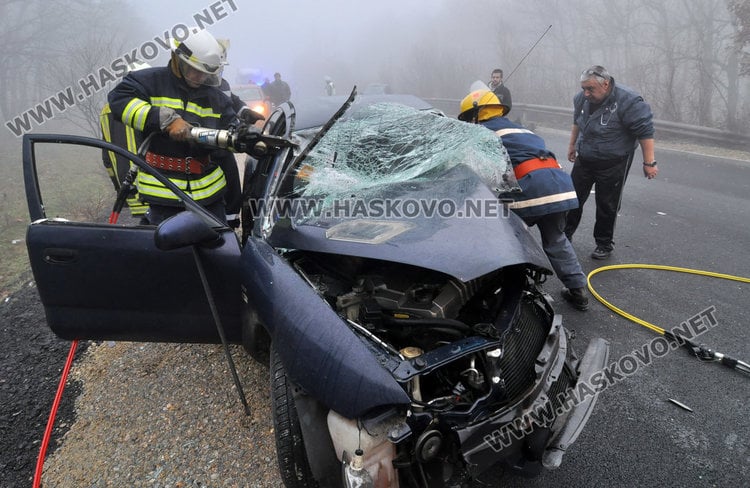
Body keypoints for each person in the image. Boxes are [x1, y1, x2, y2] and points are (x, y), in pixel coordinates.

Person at [458, 89, 590, 310]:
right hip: (560, 185)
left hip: (531, 187)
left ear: (476, 114)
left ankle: (510, 290)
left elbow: (476, 170)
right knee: (556, 239)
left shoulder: (481, 132)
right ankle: (578, 290)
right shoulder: (521, 128)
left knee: (504, 233)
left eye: (468, 118)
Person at [107, 28, 242, 226]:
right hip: (163, 194)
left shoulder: (217, 99)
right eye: (194, 69)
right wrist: (166, 120)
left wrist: (243, 136)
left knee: (219, 253)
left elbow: (230, 130)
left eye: (204, 73)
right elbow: (119, 101)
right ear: (177, 60)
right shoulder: (149, 82)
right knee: (164, 254)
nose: (199, 77)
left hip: (210, 196)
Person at [565, 65, 658, 260]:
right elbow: (577, 122)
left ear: (605, 84)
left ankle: (604, 243)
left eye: (590, 89)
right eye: (584, 88)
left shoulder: (628, 100)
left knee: (607, 204)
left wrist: (649, 162)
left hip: (614, 161)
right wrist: (572, 145)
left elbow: (645, 132)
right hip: (586, 158)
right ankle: (564, 235)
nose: (586, 93)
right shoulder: (581, 99)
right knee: (572, 198)